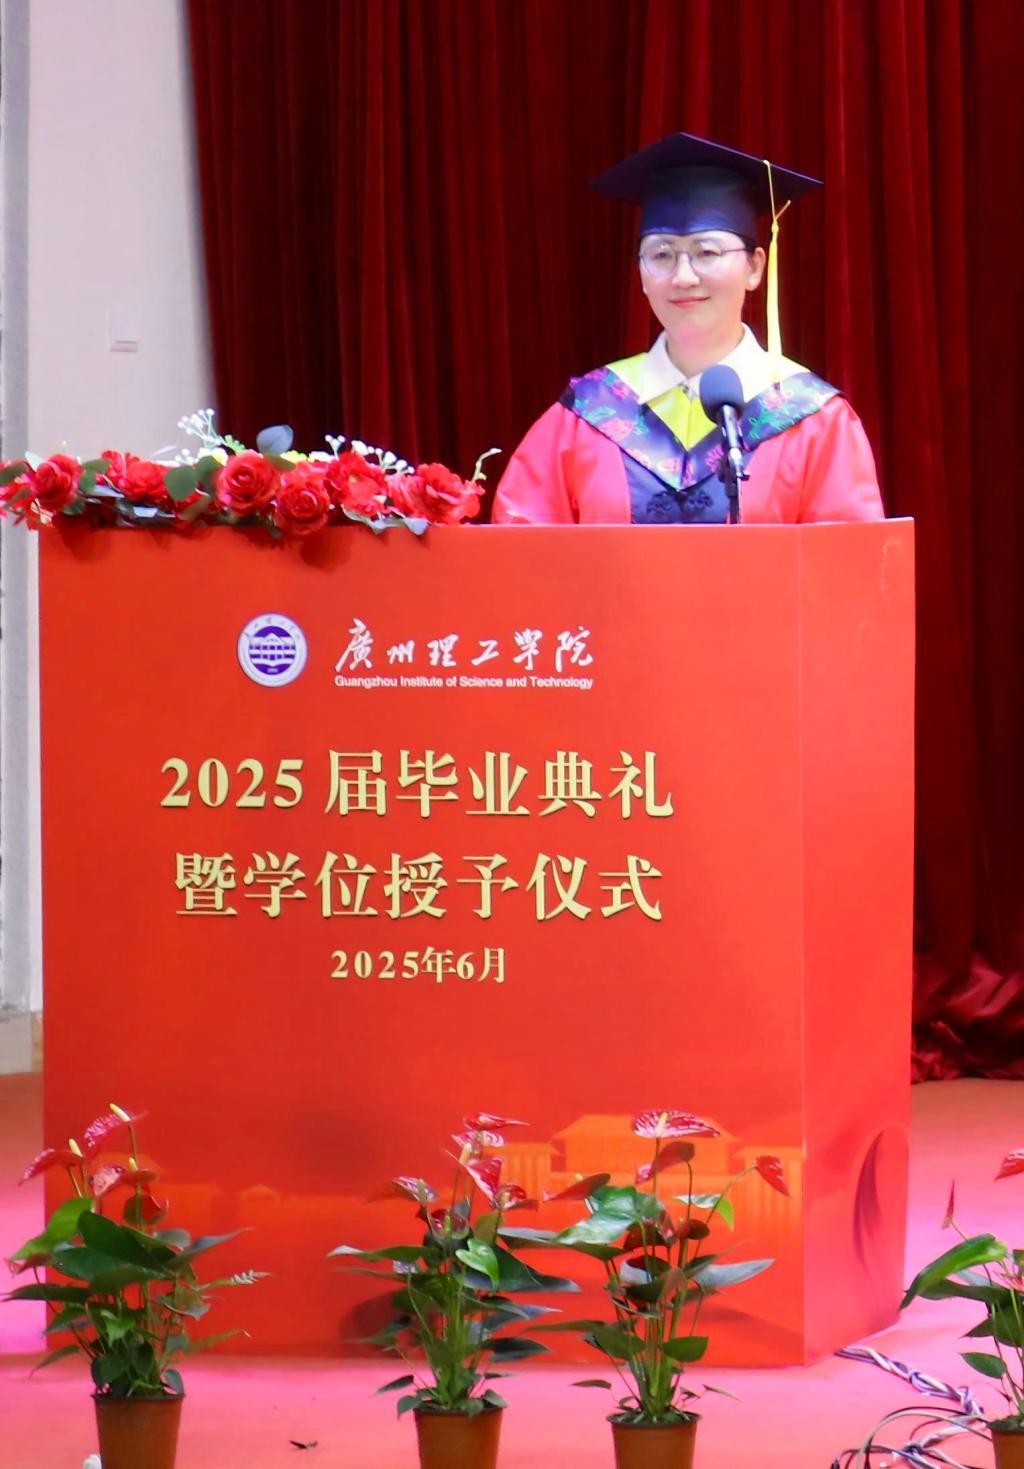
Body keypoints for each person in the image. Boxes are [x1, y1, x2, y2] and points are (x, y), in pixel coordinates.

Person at [491, 133, 884, 526]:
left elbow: (850, 558)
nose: (682, 276)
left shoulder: (812, 418)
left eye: (707, 252)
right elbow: (521, 548)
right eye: (661, 255)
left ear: (755, 267)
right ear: (640, 273)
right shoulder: (588, 412)